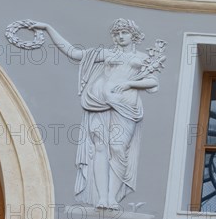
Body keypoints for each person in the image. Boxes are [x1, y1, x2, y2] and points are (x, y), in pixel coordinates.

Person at [30, 19, 159, 209]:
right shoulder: (105, 53)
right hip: (98, 103)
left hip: (125, 106)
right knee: (100, 147)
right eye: (117, 33)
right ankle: (102, 197)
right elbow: (74, 53)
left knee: (118, 148)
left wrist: (130, 84)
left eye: (125, 32)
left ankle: (113, 197)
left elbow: (153, 82)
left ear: (134, 35)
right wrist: (49, 29)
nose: (120, 36)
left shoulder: (142, 58)